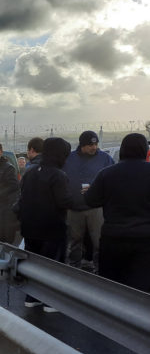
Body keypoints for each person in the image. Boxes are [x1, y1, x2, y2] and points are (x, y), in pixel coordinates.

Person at [85, 133, 150, 293]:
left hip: (114, 238)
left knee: (113, 287)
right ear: (145, 149)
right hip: (145, 239)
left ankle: (111, 316)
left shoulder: (107, 173)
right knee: (142, 287)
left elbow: (90, 201)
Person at [15, 137, 73, 312]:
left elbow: (22, 197)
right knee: (52, 265)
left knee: (34, 264)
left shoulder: (30, 172)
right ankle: (50, 302)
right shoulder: (58, 175)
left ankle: (32, 297)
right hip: (52, 229)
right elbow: (63, 201)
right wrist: (79, 198)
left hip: (30, 228)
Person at [62, 130, 114, 271]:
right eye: (90, 145)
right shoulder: (69, 159)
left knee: (99, 241)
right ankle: (74, 268)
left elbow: (112, 180)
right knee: (74, 242)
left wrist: (96, 189)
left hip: (96, 209)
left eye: (96, 144)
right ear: (82, 145)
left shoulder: (105, 159)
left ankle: (100, 269)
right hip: (74, 208)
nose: (94, 147)